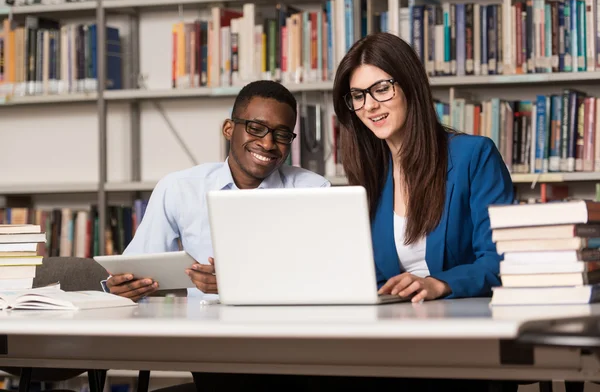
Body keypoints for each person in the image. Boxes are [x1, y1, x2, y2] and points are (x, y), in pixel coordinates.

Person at [314, 32, 516, 391]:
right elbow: (370, 275)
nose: (370, 106)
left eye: (382, 89)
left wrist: (439, 283)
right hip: (392, 340)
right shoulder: (369, 178)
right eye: (358, 96)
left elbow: (501, 260)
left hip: (466, 340)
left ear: (410, 85)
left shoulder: (473, 156)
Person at [103, 80, 330, 301]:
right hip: (204, 330)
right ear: (229, 130)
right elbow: (135, 271)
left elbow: (330, 279)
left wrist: (243, 285)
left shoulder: (314, 191)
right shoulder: (180, 189)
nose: (268, 143)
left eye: (281, 135)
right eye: (256, 128)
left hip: (286, 327)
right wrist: (121, 287)